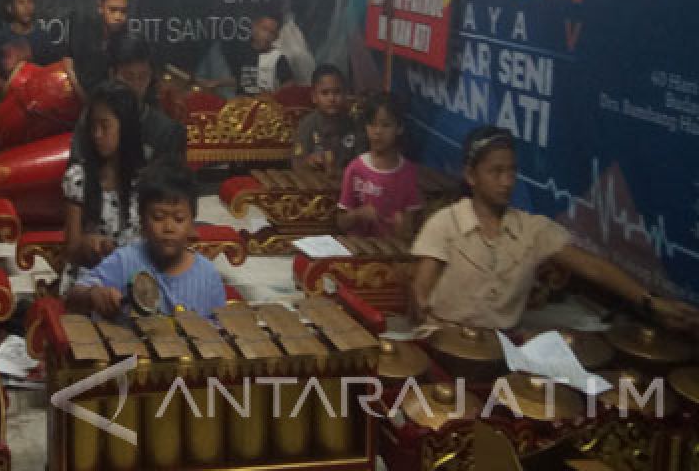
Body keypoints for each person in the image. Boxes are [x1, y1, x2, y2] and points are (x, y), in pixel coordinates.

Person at [411, 126, 699, 331]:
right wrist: (421, 301)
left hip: (503, 352)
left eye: (512, 171)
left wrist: (650, 302)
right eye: (496, 172)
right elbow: (421, 284)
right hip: (446, 345)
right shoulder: (445, 224)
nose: (507, 181)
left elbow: (592, 267)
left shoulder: (532, 230)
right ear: (471, 176)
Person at [67, 161, 226, 321]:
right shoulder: (125, 261)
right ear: (142, 222)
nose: (168, 227)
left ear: (192, 224)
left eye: (179, 219)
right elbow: (73, 298)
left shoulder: (208, 276)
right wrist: (92, 294)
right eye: (158, 217)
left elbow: (220, 333)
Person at [60, 81, 146, 294]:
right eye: (93, 126)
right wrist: (88, 245)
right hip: (89, 280)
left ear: (125, 127)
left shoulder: (145, 181)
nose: (97, 134)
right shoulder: (78, 177)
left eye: (105, 126)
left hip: (134, 278)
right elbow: (71, 249)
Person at [69, 33, 186, 165]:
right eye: (128, 77)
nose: (135, 86)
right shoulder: (92, 121)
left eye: (143, 76)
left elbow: (170, 182)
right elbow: (75, 171)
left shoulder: (166, 132)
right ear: (112, 74)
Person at [336, 93, 421, 239]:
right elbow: (341, 223)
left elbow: (412, 230)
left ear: (399, 128)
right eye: (372, 124)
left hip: (392, 254)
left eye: (385, 125)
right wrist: (358, 214)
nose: (377, 132)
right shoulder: (355, 169)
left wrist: (402, 227)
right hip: (359, 253)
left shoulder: (409, 173)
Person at [198, 9, 294, 96]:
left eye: (272, 33)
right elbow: (241, 79)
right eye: (264, 29)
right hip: (241, 106)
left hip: (266, 109)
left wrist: (274, 96)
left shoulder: (277, 57)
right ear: (255, 28)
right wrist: (217, 83)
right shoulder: (242, 52)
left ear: (276, 37)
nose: (267, 36)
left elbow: (289, 84)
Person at [292, 64, 364, 174]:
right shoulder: (307, 126)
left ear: (345, 94)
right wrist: (309, 161)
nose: (332, 98)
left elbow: (363, 162)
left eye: (337, 92)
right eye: (325, 93)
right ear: (314, 97)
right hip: (316, 184)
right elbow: (297, 162)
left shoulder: (354, 125)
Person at [69, 0, 130, 97]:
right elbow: (67, 62)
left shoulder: (125, 36)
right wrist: (84, 101)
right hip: (76, 98)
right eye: (113, 10)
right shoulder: (84, 31)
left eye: (123, 11)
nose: (118, 16)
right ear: (100, 7)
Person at [0, 0, 59, 86]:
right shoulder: (0, 38)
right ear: (10, 8)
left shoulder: (43, 38)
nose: (27, 7)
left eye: (30, 1)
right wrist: (6, 88)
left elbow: (52, 73)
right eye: (21, 2)